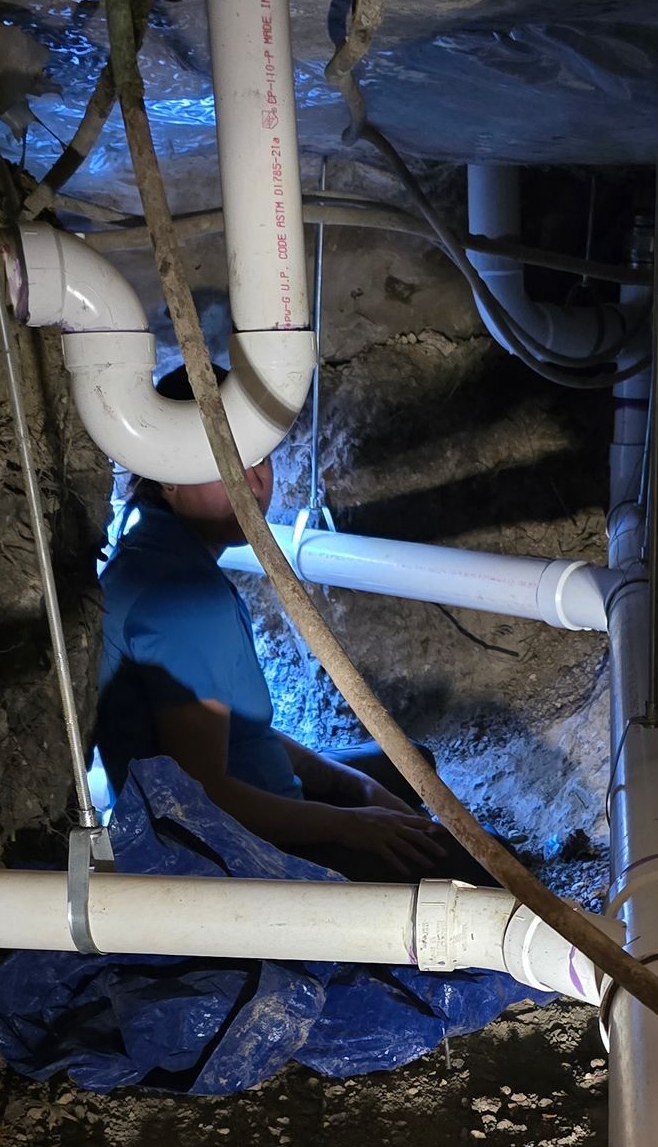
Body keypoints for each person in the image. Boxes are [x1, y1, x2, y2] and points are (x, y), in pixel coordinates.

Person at [94, 369, 495, 885]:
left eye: (259, 457)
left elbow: (237, 730)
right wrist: (353, 827)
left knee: (410, 764)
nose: (254, 480)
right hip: (235, 848)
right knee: (484, 876)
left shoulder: (151, 548)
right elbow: (203, 798)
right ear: (167, 474)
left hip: (240, 795)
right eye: (226, 463)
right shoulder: (187, 601)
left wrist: (351, 785)